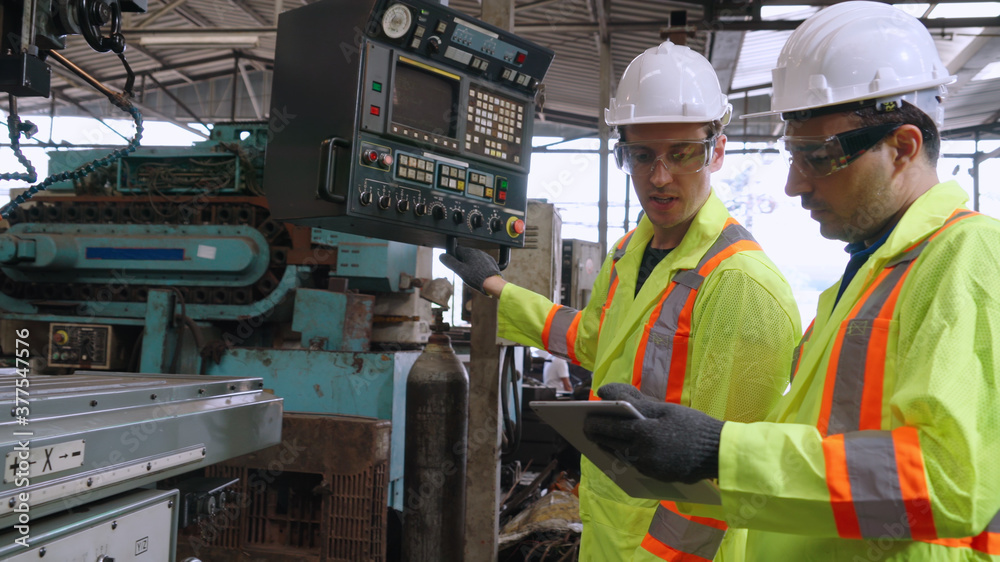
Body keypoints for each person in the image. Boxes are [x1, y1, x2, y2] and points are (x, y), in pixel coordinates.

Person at [584, 2, 1000, 560]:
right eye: (792, 155)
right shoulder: (869, 276)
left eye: (819, 158)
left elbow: (946, 482)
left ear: (902, 147)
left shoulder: (968, 259)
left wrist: (718, 451)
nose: (792, 185)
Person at [440, 40, 800, 561]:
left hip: (667, 548)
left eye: (682, 154)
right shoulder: (631, 251)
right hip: (611, 525)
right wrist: (496, 287)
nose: (659, 177)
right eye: (642, 155)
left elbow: (723, 478)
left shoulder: (741, 285)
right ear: (622, 154)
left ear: (716, 152)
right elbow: (593, 340)